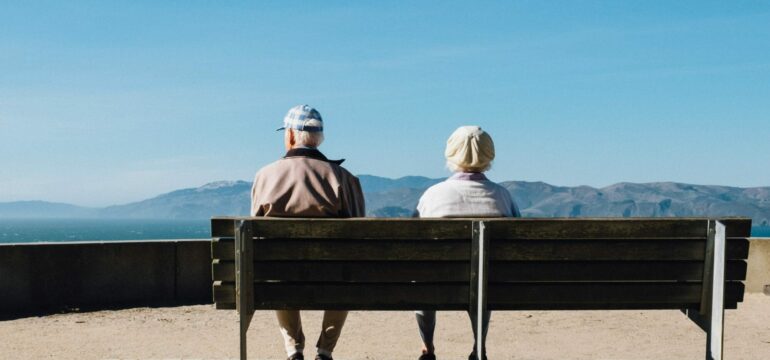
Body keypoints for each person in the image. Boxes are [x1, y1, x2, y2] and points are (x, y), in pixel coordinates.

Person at [251, 104, 366, 360]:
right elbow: (361, 233)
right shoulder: (344, 178)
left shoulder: (264, 176)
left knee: (277, 270)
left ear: (291, 135)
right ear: (318, 138)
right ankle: (325, 350)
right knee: (345, 274)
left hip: (282, 276)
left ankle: (294, 349)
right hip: (332, 276)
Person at [414, 126, 520, 360]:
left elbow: (413, 244)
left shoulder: (433, 195)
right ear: (489, 155)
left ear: (450, 154)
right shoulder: (502, 196)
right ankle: (478, 346)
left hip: (437, 283)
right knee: (483, 275)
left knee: (422, 277)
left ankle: (428, 347)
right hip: (490, 285)